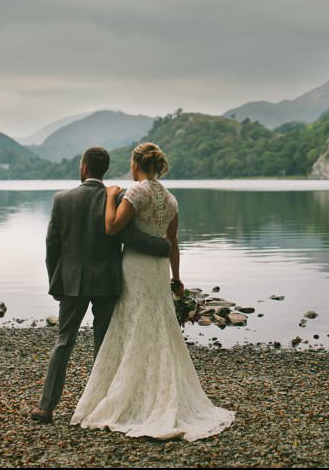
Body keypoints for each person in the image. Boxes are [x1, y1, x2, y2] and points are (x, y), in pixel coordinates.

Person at [71, 142, 235, 440]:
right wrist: (177, 278)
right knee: (159, 326)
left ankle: (133, 395)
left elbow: (112, 227)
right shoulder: (170, 199)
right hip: (158, 271)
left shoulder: (136, 192)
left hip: (135, 267)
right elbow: (173, 243)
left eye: (132, 163)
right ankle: (159, 389)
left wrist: (110, 197)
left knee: (133, 324)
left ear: (136, 164)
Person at [30, 146, 173, 424]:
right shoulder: (116, 197)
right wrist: (162, 246)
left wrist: (55, 283)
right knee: (104, 344)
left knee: (63, 342)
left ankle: (46, 407)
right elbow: (129, 236)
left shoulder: (61, 199)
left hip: (71, 282)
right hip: (107, 281)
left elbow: (52, 246)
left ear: (83, 168)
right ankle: (100, 406)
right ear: (104, 170)